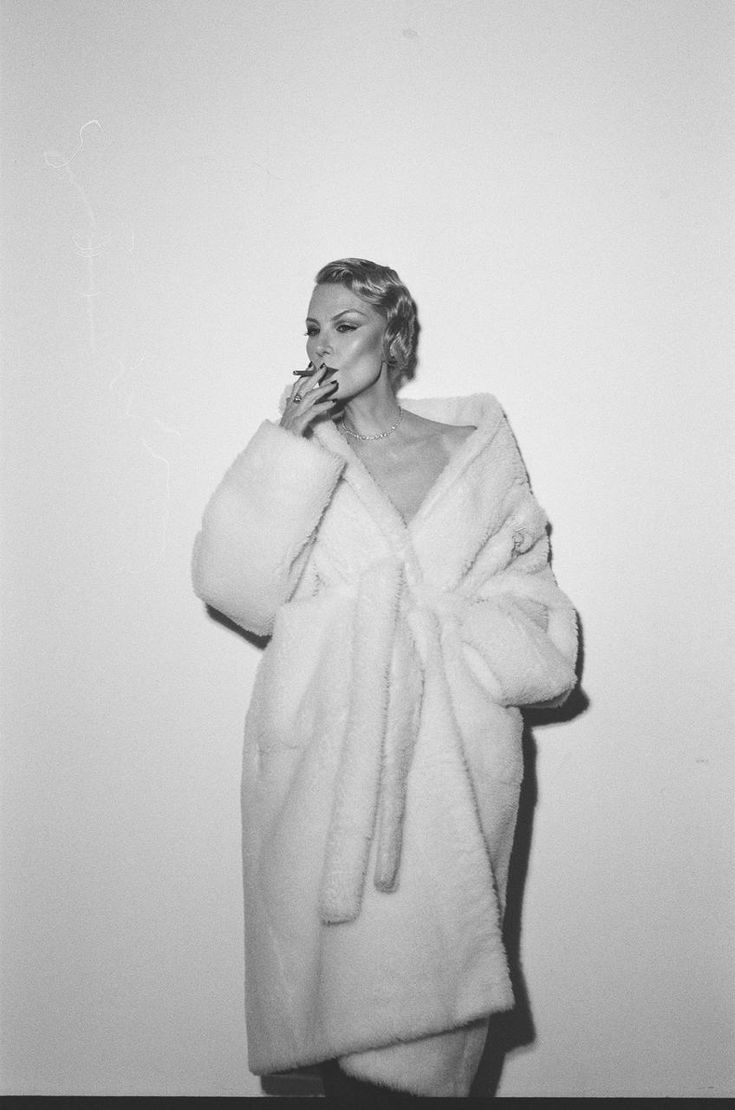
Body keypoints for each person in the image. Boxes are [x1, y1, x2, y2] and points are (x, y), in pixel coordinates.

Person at [192, 258, 578, 1098]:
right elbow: (236, 590)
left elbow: (534, 598)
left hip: (449, 744)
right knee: (332, 1012)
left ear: (392, 338)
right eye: (311, 328)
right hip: (330, 755)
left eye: (345, 325)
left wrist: (467, 650)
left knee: (432, 1024)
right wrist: (286, 449)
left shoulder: (473, 456)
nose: (321, 345)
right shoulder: (305, 457)